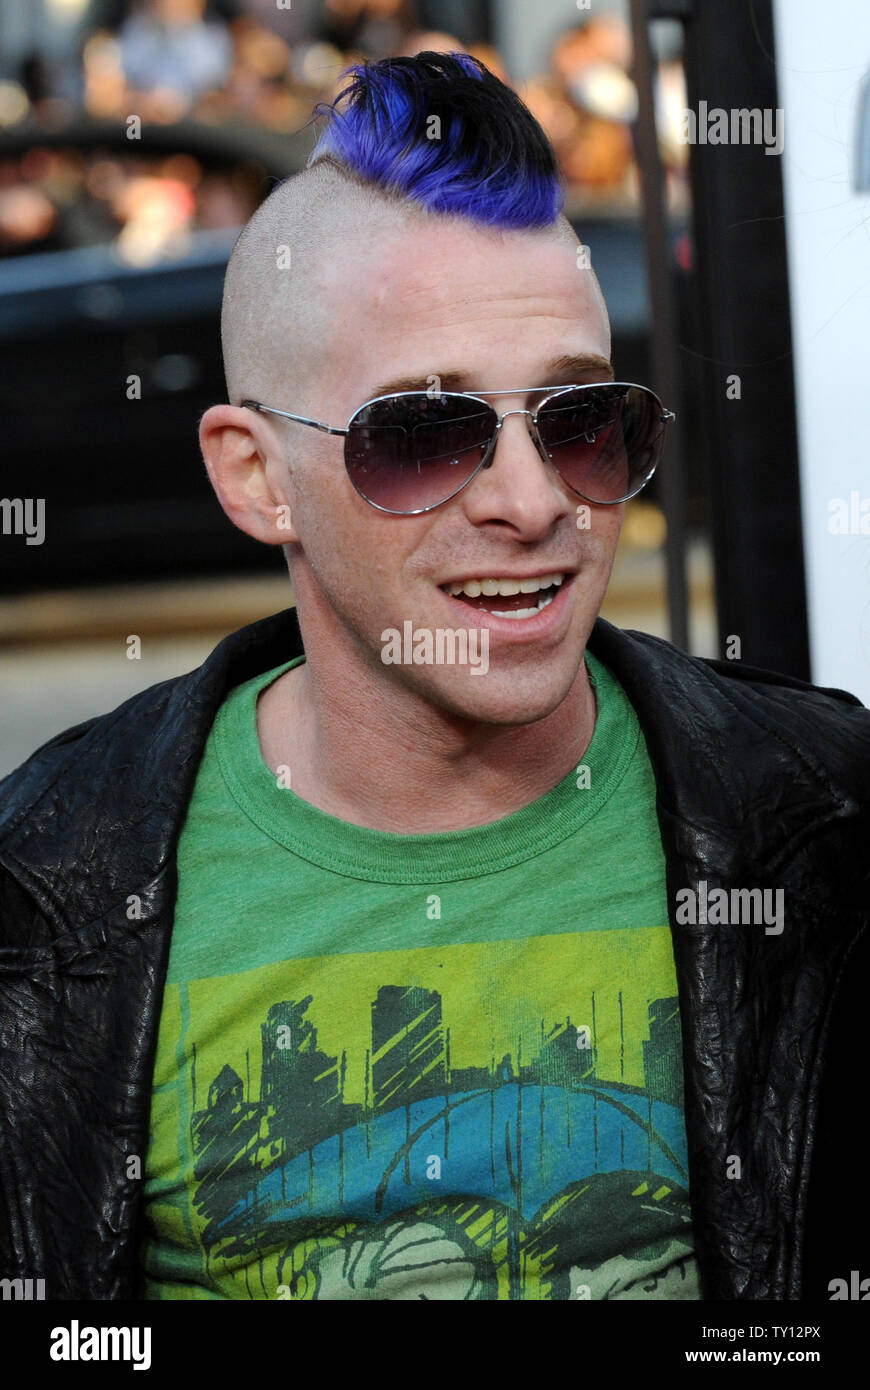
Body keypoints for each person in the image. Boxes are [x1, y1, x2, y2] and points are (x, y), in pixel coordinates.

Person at [0, 52, 867, 1304]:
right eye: (423, 434)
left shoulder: (824, 823)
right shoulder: (45, 896)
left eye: (579, 419)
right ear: (255, 476)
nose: (532, 503)